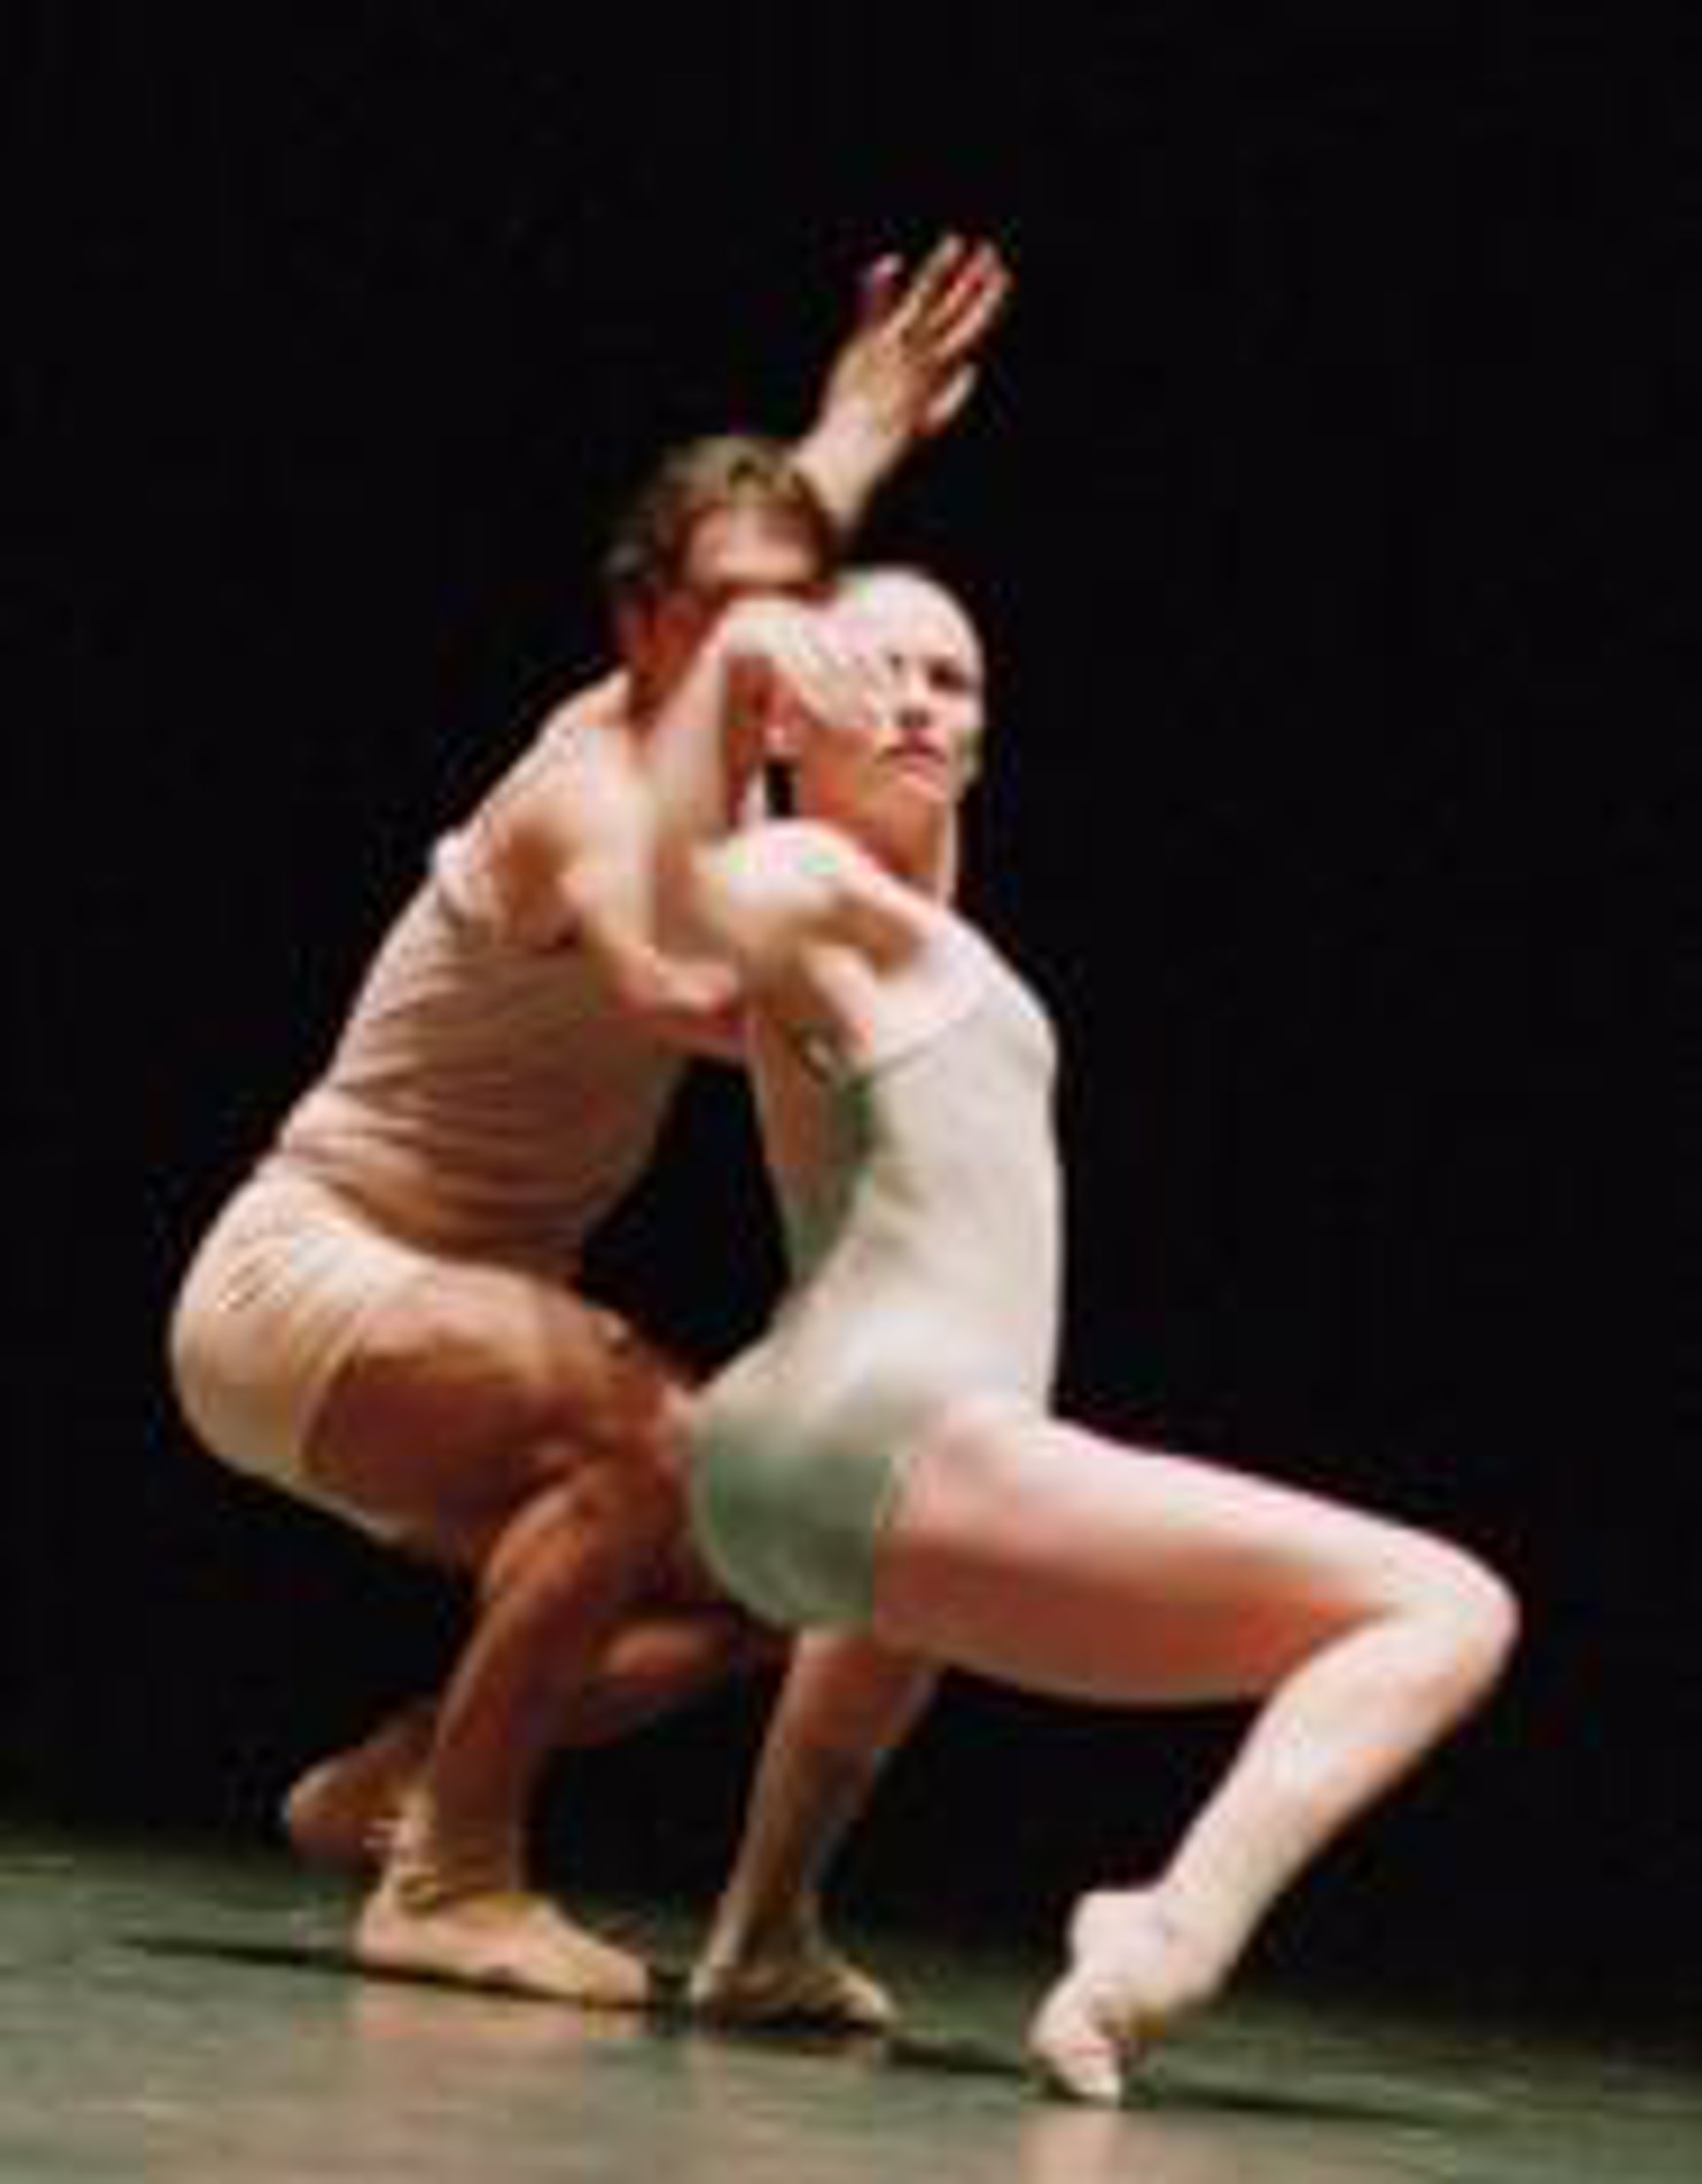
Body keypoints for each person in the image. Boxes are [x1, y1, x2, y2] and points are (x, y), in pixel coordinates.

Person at [166, 237, 1013, 2009]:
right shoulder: (595, 794)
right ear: (640, 623)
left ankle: (405, 1776)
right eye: (728, 616)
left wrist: (864, 420)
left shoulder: (724, 727)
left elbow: (775, 541)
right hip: (311, 1278)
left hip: (459, 1320)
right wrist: (873, 979)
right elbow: (679, 980)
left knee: (779, 1553)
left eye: (797, 609)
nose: (772, 645)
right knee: (633, 1442)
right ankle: (450, 1879)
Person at [636, 567, 1519, 2100]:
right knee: (1440, 1610)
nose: (917, 702)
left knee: (896, 1606)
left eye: (952, 681)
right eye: (879, 671)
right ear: (794, 722)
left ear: (985, 738)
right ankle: (1159, 1943)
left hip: (792, 1457)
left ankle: (760, 1931)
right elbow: (692, 898)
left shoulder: (919, 939)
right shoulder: (822, 886)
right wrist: (729, 676)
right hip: (881, 1427)